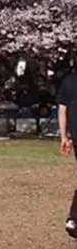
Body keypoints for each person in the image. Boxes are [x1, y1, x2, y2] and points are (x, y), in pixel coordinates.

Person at [58, 70, 77, 238]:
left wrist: (64, 136)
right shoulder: (69, 81)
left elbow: (62, 110)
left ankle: (73, 218)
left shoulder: (68, 80)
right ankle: (73, 217)